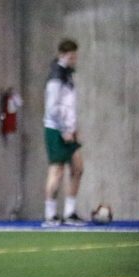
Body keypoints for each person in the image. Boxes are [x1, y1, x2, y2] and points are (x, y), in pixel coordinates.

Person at [42, 38, 86, 226]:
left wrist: (73, 127)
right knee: (57, 170)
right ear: (61, 55)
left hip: (68, 130)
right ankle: (50, 215)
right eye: (70, 56)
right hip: (55, 129)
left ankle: (69, 213)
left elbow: (69, 105)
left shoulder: (67, 75)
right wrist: (63, 129)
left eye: (75, 56)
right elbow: (52, 108)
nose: (74, 60)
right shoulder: (56, 77)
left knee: (77, 168)